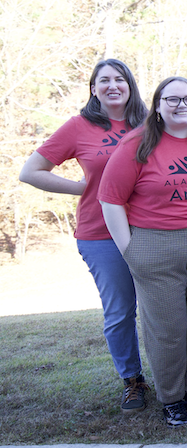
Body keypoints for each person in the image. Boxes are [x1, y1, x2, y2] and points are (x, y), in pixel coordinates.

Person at [98, 76, 187, 427]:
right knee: (167, 326)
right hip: (155, 245)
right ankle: (172, 397)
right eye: (171, 100)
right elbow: (110, 199)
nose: (181, 106)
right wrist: (130, 249)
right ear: (157, 106)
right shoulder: (137, 143)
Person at [18, 59, 149, 413]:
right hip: (99, 233)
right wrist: (82, 187)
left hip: (151, 230)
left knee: (161, 309)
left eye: (119, 79)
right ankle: (133, 381)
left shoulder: (150, 123)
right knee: (121, 311)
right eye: (103, 80)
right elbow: (30, 171)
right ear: (93, 89)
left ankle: (177, 377)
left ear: (130, 85)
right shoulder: (79, 127)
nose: (112, 85)